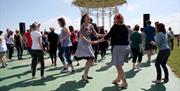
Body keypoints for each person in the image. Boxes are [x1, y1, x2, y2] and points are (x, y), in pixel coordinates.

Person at [98, 13, 129, 89]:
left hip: (118, 48)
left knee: (118, 65)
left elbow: (107, 36)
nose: (113, 20)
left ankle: (124, 82)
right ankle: (118, 79)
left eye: (114, 18)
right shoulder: (125, 27)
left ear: (116, 19)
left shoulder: (115, 26)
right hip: (125, 47)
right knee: (119, 65)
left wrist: (97, 41)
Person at [75, 14, 104, 83]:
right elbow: (81, 36)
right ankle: (85, 75)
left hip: (88, 42)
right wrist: (89, 41)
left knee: (91, 59)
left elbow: (96, 34)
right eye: (87, 17)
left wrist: (105, 35)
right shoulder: (83, 25)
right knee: (91, 58)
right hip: (83, 43)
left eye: (89, 17)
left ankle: (85, 74)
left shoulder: (91, 25)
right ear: (84, 19)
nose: (89, 17)